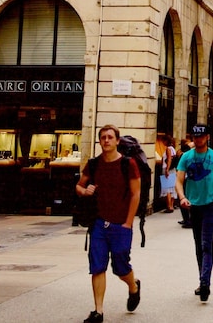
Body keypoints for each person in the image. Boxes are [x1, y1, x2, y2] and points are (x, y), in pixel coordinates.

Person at [75, 125, 142, 323]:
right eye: (103, 137)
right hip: (98, 224)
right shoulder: (94, 164)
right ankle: (98, 311)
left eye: (110, 137)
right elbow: (79, 185)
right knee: (97, 266)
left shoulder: (128, 164)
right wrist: (84, 191)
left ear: (117, 141)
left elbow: (135, 193)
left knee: (121, 267)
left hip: (121, 224)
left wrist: (128, 222)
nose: (106, 140)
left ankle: (134, 286)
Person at [175, 124, 213, 302]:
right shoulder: (186, 157)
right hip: (194, 207)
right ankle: (203, 279)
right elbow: (178, 180)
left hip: (211, 206)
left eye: (201, 136)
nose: (198, 139)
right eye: (195, 136)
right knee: (199, 245)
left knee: (207, 244)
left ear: (207, 137)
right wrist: (182, 197)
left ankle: (205, 283)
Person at [158, 135, 178, 212]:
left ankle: (169, 206)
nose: (163, 142)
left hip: (167, 169)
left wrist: (167, 169)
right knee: (172, 188)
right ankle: (172, 205)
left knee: (167, 188)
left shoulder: (168, 149)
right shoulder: (173, 149)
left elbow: (169, 159)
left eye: (163, 141)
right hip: (173, 169)